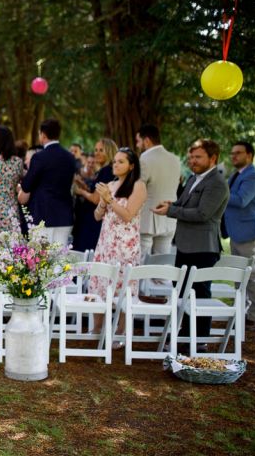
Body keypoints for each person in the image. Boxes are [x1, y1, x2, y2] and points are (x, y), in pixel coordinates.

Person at [153, 139, 229, 347]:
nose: (192, 161)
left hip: (203, 247)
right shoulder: (194, 178)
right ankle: (186, 334)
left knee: (200, 293)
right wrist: (171, 205)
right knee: (183, 290)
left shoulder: (216, 182)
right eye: (191, 157)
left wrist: (171, 211)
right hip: (186, 245)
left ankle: (200, 339)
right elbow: (184, 205)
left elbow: (203, 213)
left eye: (198, 157)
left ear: (213, 158)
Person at [88, 148, 147, 347]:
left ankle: (121, 333)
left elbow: (128, 215)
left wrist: (110, 199)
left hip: (125, 245)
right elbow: (97, 216)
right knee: (100, 284)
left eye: (121, 161)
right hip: (106, 243)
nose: (115, 164)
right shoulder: (110, 185)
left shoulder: (138, 186)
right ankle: (97, 329)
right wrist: (103, 202)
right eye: (114, 161)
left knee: (123, 288)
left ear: (131, 165)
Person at [18, 119, 76, 245]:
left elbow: (27, 185)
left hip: (43, 214)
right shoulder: (70, 157)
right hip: (65, 215)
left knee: (41, 259)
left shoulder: (40, 157)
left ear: (43, 135)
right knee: (60, 258)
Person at [222, 141, 255, 330]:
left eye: (238, 153)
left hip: (249, 233)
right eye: (232, 153)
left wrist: (219, 192)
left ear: (249, 155)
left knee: (253, 275)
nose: (234, 156)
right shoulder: (236, 175)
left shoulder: (253, 176)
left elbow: (242, 200)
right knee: (240, 275)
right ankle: (242, 312)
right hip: (236, 232)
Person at [135, 124, 181, 258]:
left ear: (147, 140)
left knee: (141, 263)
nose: (137, 145)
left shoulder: (144, 159)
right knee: (162, 264)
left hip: (147, 217)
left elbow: (138, 188)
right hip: (169, 218)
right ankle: (161, 280)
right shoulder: (175, 159)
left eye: (138, 141)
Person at [72, 138, 118, 251]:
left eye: (101, 150)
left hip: (92, 221)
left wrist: (80, 191)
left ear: (109, 151)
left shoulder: (106, 171)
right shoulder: (108, 170)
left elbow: (96, 199)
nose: (97, 153)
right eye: (96, 150)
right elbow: (95, 191)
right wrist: (83, 184)